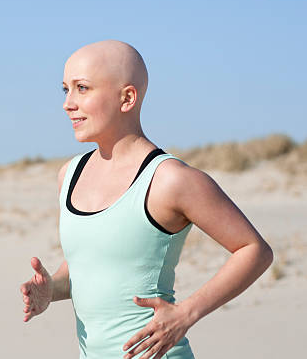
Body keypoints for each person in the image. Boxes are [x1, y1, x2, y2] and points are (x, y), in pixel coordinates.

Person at [19, 40, 274, 359]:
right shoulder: (70, 174)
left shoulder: (170, 179)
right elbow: (88, 266)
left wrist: (186, 314)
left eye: (82, 88)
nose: (68, 103)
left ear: (127, 97)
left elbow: (254, 250)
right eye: (65, 89)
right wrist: (50, 290)